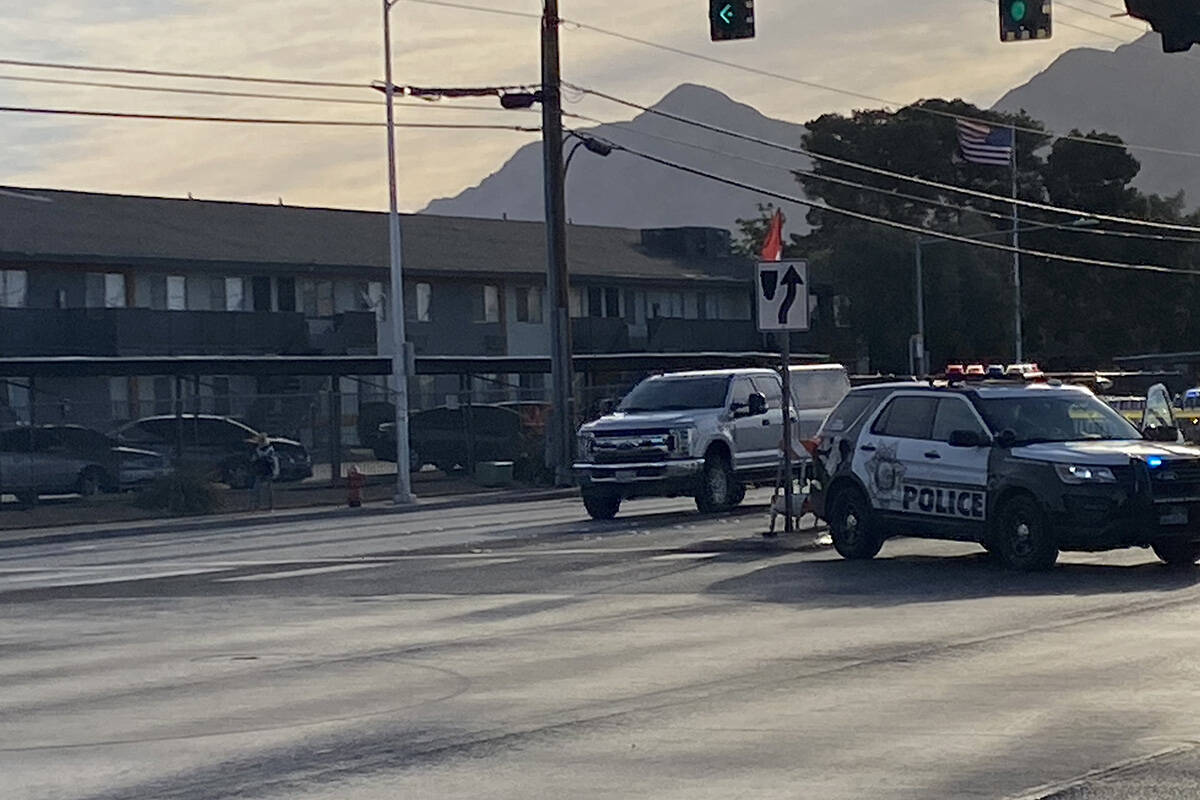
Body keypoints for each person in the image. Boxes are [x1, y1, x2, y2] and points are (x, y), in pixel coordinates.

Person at [251, 433, 280, 511]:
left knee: (263, 489)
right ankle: (264, 506)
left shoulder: (267, 450)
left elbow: (253, 460)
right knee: (264, 489)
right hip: (264, 471)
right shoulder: (268, 450)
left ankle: (264, 506)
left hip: (265, 471)